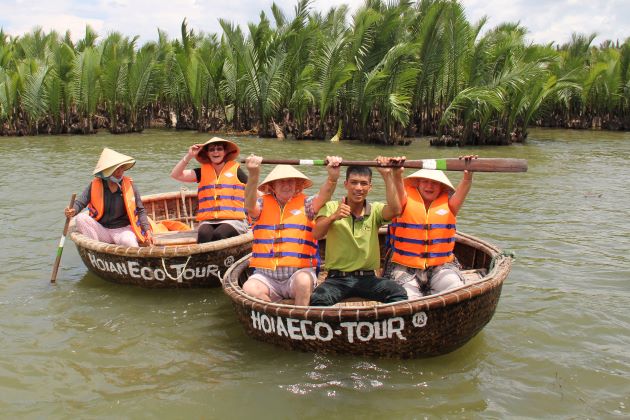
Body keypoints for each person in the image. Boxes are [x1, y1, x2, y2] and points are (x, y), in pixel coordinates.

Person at [242, 155, 342, 306]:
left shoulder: (307, 204)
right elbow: (249, 205)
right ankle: (276, 312)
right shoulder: (261, 204)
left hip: (297, 274)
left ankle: (300, 318)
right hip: (266, 277)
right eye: (281, 181)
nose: (286, 185)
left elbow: (324, 195)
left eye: (290, 181)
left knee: (303, 281)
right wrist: (253, 175)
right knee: (249, 288)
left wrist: (332, 178)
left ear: (297, 185)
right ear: (272, 186)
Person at [309, 157, 408, 306]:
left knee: (397, 293)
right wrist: (334, 217)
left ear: (370, 187)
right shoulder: (331, 207)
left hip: (368, 278)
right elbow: (316, 233)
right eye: (354, 182)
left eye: (363, 183)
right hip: (337, 279)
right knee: (318, 299)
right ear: (346, 184)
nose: (358, 188)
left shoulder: (375, 210)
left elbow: (396, 210)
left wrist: (387, 175)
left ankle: (381, 327)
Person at [386, 157, 475, 298]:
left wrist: (468, 176)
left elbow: (465, 186)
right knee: (407, 296)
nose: (429, 186)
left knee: (455, 288)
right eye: (425, 181)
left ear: (441, 187)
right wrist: (397, 174)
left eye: (434, 183)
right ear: (418, 183)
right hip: (406, 266)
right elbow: (398, 187)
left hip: (441, 265)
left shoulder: (450, 204)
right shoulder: (404, 199)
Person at [64, 148, 153, 247]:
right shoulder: (95, 185)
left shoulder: (130, 186)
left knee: (129, 241)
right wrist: (72, 210)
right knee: (80, 218)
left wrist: (147, 231)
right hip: (102, 230)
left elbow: (140, 210)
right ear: (107, 171)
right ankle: (97, 248)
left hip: (123, 230)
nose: (120, 172)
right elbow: (80, 202)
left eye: (122, 168)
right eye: (116, 169)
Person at [170, 137, 248, 243]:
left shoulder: (237, 171)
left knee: (219, 234)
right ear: (207, 153)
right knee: (203, 235)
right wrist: (189, 156)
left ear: (225, 152)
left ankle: (219, 258)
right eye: (212, 149)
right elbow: (176, 175)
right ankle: (205, 259)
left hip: (234, 220)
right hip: (208, 220)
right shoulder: (202, 171)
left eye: (219, 149)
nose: (215, 152)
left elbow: (253, 192)